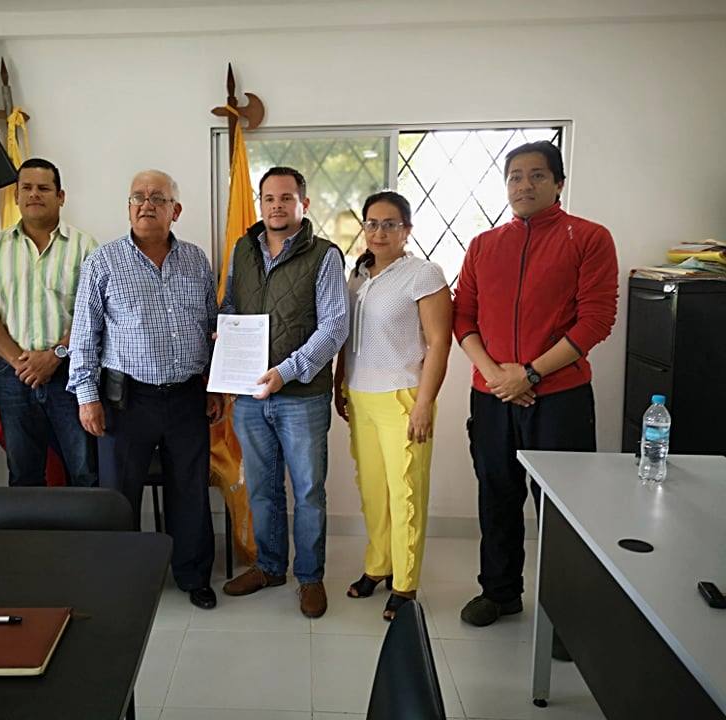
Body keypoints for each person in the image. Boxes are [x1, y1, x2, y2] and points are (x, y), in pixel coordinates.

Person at [453, 141, 618, 646]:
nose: (524, 185)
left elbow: (596, 319)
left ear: (558, 183)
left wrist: (530, 374)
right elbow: (464, 317)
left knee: (562, 509)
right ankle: (500, 592)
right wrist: (498, 376)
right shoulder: (483, 245)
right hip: (492, 396)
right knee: (496, 493)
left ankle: (568, 614)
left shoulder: (589, 238)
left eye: (537, 175)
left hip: (560, 396)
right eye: (515, 176)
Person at [68, 169, 222, 610]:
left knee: (190, 490)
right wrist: (87, 397)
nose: (147, 204)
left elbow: (212, 327)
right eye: (138, 197)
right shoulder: (103, 262)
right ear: (128, 207)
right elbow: (84, 335)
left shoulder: (196, 261)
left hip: (187, 396)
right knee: (119, 495)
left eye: (158, 197)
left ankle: (193, 575)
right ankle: (120, 579)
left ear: (176, 210)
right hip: (125, 400)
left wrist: (214, 385)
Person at [220, 166, 349, 619]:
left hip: (302, 397)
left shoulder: (325, 255)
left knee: (309, 491)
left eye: (286, 198)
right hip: (249, 396)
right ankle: (270, 567)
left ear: (303, 204)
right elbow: (232, 305)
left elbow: (334, 328)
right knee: (261, 487)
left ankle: (310, 577)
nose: (276, 206)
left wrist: (286, 372)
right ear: (261, 203)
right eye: (269, 198)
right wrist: (225, 335)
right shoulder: (242, 249)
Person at [333, 190, 452, 621]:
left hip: (403, 398)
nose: (379, 232)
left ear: (407, 230)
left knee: (406, 495)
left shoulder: (423, 274)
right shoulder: (357, 277)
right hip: (361, 397)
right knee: (374, 492)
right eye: (372, 223)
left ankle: (405, 584)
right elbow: (346, 338)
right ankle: (378, 565)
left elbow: (439, 343)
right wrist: (339, 384)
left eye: (390, 224)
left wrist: (424, 404)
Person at [0, 158, 98, 488]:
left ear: (61, 196)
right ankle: (31, 527)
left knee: (84, 470)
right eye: (26, 188)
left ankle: (84, 527)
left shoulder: (86, 247)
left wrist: (56, 355)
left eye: (43, 188)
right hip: (15, 377)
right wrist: (18, 362)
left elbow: (94, 314)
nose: (34, 194)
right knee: (23, 475)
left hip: (71, 375)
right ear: (16, 196)